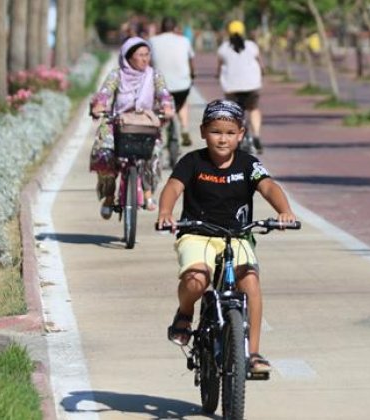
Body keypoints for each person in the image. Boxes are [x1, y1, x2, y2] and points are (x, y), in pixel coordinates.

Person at [156, 99, 297, 374]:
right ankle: (185, 313)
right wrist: (165, 211)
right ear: (203, 132)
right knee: (197, 280)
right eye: (216, 132)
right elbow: (173, 187)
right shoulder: (192, 161)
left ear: (241, 134)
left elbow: (268, 187)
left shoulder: (248, 163)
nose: (223, 139)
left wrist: (285, 211)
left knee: (251, 283)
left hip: (238, 235)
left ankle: (252, 353)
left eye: (230, 133)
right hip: (197, 235)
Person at [89, 37, 175, 219]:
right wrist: (98, 106)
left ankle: (148, 192)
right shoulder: (116, 75)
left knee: (154, 153)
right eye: (140, 55)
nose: (145, 59)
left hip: (144, 123)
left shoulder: (154, 75)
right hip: (119, 122)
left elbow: (164, 94)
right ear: (128, 58)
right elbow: (105, 93)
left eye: (147, 55)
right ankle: (109, 196)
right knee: (104, 154)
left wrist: (167, 107)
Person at [216, 20, 265, 154]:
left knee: (233, 112)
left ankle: (235, 138)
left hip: (231, 87)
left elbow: (219, 66)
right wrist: (263, 71)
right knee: (253, 109)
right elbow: (260, 62)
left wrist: (217, 74)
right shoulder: (251, 46)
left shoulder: (223, 48)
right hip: (251, 85)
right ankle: (256, 136)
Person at [149, 16, 195, 147]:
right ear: (176, 28)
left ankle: (159, 133)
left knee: (159, 106)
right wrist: (192, 75)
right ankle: (185, 127)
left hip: (161, 86)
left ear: (161, 28)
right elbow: (191, 61)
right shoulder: (185, 41)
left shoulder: (152, 41)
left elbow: (150, 62)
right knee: (182, 102)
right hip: (182, 85)